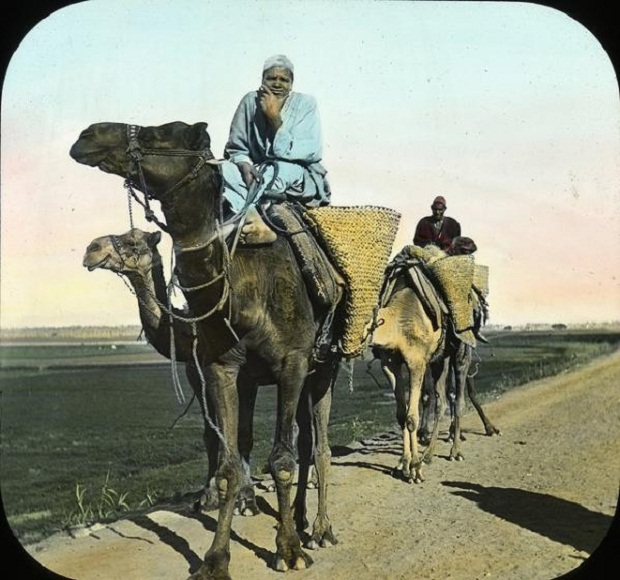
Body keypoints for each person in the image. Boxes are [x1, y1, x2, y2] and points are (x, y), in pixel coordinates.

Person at [220, 54, 330, 244]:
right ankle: (254, 218)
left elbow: (308, 151)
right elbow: (236, 148)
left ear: (291, 83)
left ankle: (248, 215)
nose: (277, 84)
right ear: (262, 80)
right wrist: (244, 164)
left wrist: (274, 118)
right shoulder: (250, 101)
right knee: (221, 169)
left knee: (273, 173)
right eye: (271, 78)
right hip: (256, 170)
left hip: (295, 172)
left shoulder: (306, 104)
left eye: (284, 80)